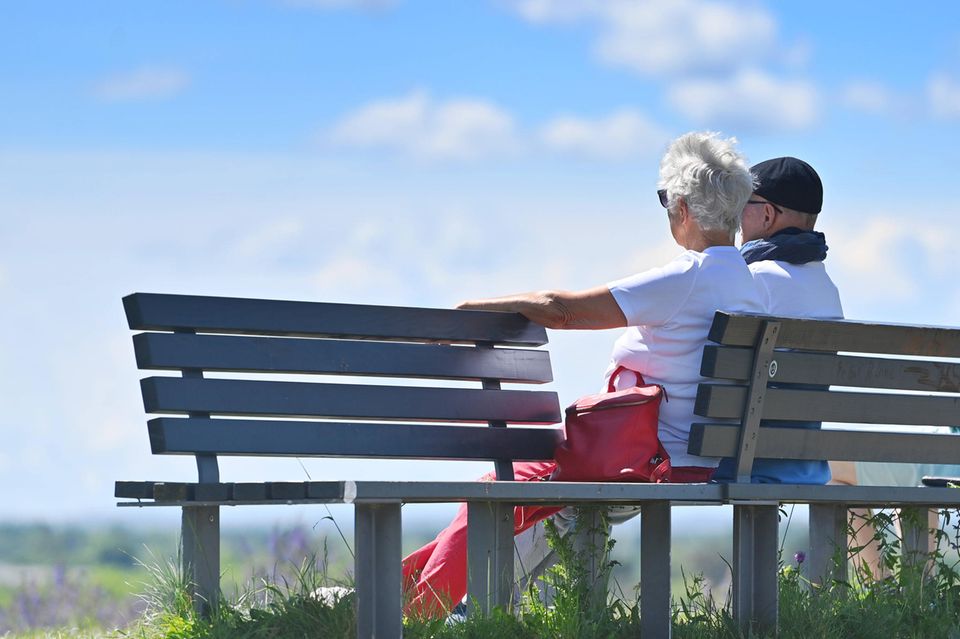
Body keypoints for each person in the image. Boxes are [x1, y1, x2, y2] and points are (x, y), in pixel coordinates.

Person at [400, 131, 765, 617]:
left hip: (647, 459)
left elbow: (564, 311)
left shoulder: (688, 277)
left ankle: (412, 613)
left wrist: (473, 309)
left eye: (664, 201)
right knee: (523, 491)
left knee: (499, 487)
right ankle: (399, 599)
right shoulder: (750, 285)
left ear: (683, 208)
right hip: (705, 460)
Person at [712, 156, 843, 484]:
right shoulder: (827, 286)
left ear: (767, 214)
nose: (737, 219)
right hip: (806, 464)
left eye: (743, 204)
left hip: (744, 460)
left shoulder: (755, 277)